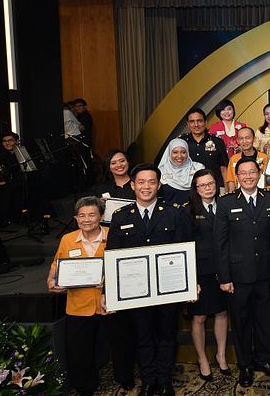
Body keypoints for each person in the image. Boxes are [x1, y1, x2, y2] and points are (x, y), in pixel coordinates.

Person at [106, 163, 193, 396]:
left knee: (166, 335)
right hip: (136, 292)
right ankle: (148, 380)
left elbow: (185, 250)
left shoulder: (174, 213)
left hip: (168, 290)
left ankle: (164, 380)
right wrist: (108, 291)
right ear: (133, 185)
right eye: (141, 182)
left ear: (159, 185)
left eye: (152, 182)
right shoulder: (120, 216)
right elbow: (112, 256)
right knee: (142, 337)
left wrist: (190, 283)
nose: (146, 187)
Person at [47, 196, 135, 395]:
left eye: (92, 215)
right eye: (81, 216)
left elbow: (127, 266)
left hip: (111, 302)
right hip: (78, 304)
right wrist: (52, 281)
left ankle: (125, 377)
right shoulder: (67, 239)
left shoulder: (114, 235)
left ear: (101, 216)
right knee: (79, 349)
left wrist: (110, 281)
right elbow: (56, 267)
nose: (86, 219)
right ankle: (85, 385)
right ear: (76, 218)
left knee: (121, 343)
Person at [215, 157, 270, 388]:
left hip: (266, 273)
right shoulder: (225, 203)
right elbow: (220, 243)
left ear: (259, 172)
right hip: (238, 276)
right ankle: (244, 364)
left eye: (252, 172)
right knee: (241, 322)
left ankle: (264, 360)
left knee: (265, 320)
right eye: (243, 173)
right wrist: (224, 278)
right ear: (237, 176)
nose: (248, 176)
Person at [186, 169, 231, 381]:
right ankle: (202, 358)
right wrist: (190, 278)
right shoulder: (188, 211)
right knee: (200, 316)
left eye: (211, 183)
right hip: (200, 272)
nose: (207, 188)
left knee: (222, 313)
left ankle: (221, 355)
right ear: (196, 188)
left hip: (223, 270)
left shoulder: (225, 205)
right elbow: (184, 246)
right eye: (202, 185)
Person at [180, 108, 229, 189]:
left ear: (205, 122)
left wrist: (227, 193)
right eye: (192, 121)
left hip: (214, 189)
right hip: (188, 189)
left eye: (199, 121)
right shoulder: (182, 142)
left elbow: (224, 169)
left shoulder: (217, 141)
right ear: (188, 124)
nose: (196, 125)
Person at [158, 138, 204, 205]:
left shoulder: (198, 168)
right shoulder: (161, 171)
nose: (179, 156)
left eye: (183, 152)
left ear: (187, 153)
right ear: (169, 153)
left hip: (194, 212)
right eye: (175, 152)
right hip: (169, 213)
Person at [225, 127, 269, 192]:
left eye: (247, 138)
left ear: (254, 139)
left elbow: (269, 180)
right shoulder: (233, 159)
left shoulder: (264, 157)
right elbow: (231, 181)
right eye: (241, 139)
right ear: (237, 141)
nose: (244, 141)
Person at [0, 131, 24, 225]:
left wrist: (7, 183)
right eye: (4, 141)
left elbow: (22, 175)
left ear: (16, 141)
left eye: (10, 140)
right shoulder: (4, 156)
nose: (7, 143)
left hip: (22, 182)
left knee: (3, 189)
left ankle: (2, 220)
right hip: (12, 181)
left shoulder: (22, 154)